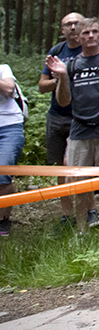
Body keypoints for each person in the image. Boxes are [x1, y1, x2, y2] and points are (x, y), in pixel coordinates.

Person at [45, 18, 99, 232]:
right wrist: (62, 78)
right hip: (80, 130)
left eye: (94, 32)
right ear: (78, 37)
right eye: (85, 33)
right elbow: (64, 101)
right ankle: (82, 229)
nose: (90, 36)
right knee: (79, 182)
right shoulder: (72, 65)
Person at [37, 12, 84, 229]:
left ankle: (85, 209)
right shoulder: (57, 52)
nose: (73, 27)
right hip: (56, 116)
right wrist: (59, 79)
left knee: (75, 165)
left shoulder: (91, 50)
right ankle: (67, 214)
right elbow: (41, 85)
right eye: (68, 24)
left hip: (82, 117)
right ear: (62, 29)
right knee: (59, 167)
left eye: (76, 23)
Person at [0, 61, 25, 237]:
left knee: (3, 173)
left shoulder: (3, 68)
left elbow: (9, 89)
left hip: (9, 126)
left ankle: (3, 221)